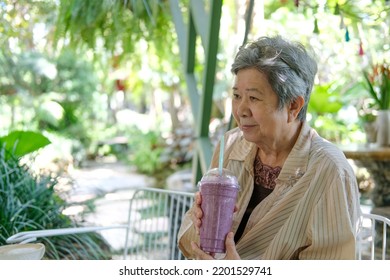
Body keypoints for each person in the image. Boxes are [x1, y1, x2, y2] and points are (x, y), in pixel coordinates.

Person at [177, 35, 362, 260]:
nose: (241, 110)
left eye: (253, 98)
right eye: (237, 96)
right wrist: (199, 226)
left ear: (293, 105)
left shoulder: (329, 170)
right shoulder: (231, 145)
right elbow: (187, 242)